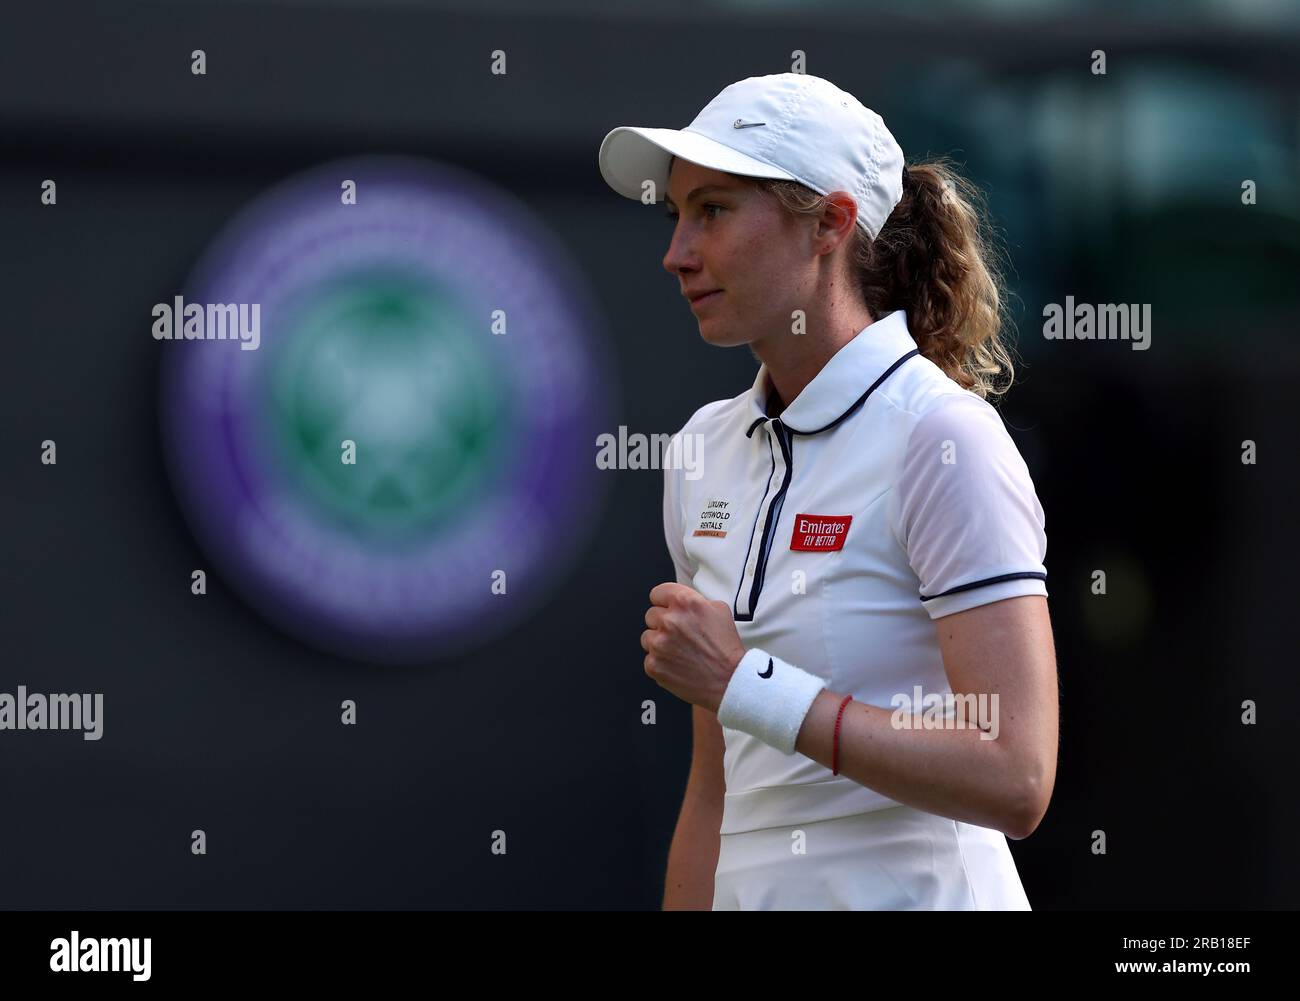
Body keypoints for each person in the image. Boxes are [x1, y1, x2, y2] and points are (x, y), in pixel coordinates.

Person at [599, 72, 1058, 910]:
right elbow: (716, 790)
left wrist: (749, 684)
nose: (677, 253)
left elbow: (1016, 773)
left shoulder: (941, 435)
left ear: (831, 224)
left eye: (713, 210)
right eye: (676, 217)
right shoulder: (703, 448)